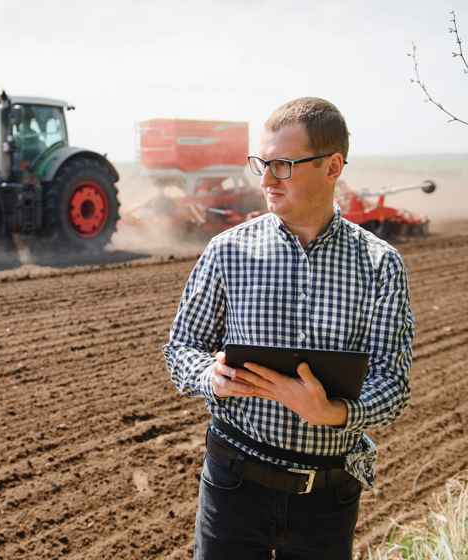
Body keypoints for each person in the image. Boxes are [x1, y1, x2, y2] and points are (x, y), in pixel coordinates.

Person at [162, 97, 414, 560]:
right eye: (261, 163)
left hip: (328, 497)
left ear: (332, 166)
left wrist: (333, 412)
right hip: (232, 486)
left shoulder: (380, 265)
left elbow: (393, 387)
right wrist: (210, 378)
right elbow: (182, 347)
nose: (265, 179)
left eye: (282, 164)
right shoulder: (227, 251)